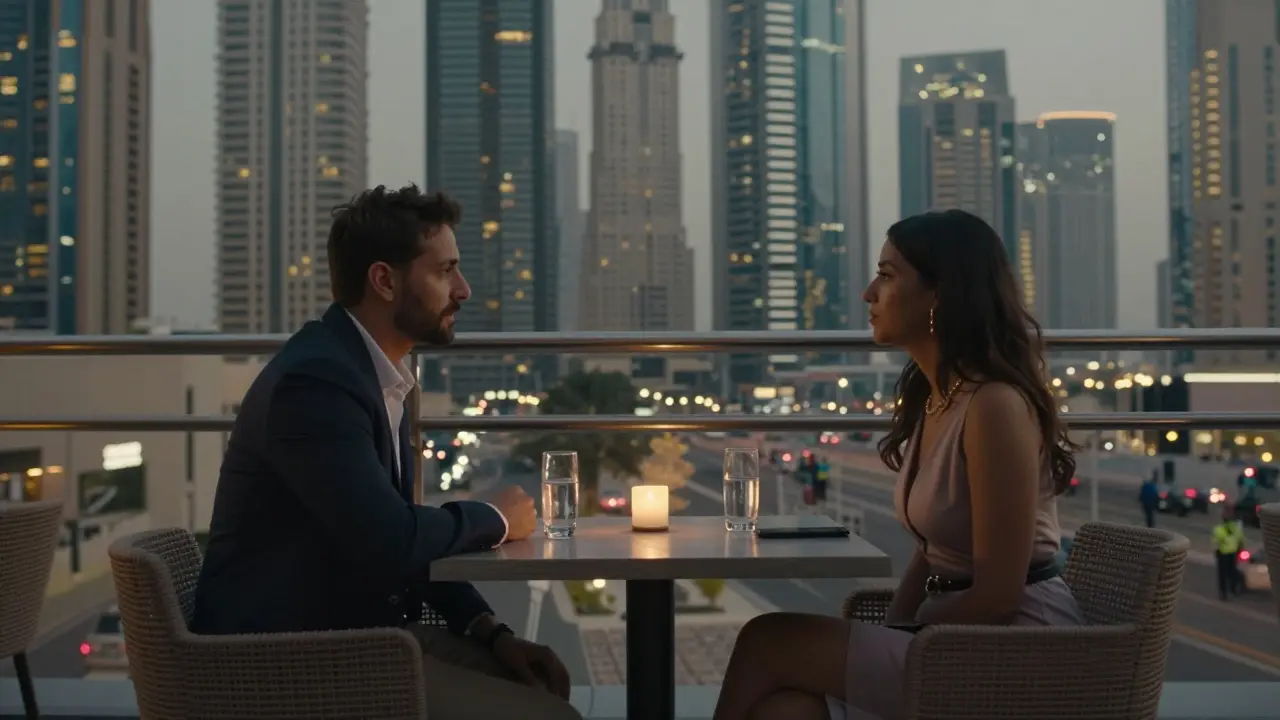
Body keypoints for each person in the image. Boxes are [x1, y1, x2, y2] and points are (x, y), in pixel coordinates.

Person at [191, 185, 582, 720]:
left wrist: (491, 632)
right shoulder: (317, 382)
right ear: (384, 280)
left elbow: (394, 539)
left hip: (356, 637)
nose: (463, 290)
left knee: (541, 686)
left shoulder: (369, 375)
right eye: (445, 271)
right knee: (550, 716)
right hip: (284, 663)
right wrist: (494, 518)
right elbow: (391, 539)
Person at [712, 210, 1084, 720]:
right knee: (785, 711)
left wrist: (913, 631)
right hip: (954, 633)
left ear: (940, 295)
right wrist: (895, 625)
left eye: (886, 276)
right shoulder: (938, 400)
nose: (868, 293)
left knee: (768, 638)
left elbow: (999, 596)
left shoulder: (994, 406)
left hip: (1016, 647)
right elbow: (934, 551)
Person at [1211, 504, 1247, 600]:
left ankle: (1225, 592)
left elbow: (1216, 541)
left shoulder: (1219, 529)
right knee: (1231, 572)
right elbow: (1240, 539)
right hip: (1232, 553)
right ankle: (1232, 589)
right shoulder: (1236, 528)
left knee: (1224, 574)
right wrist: (1240, 549)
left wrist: (1216, 551)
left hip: (1224, 553)